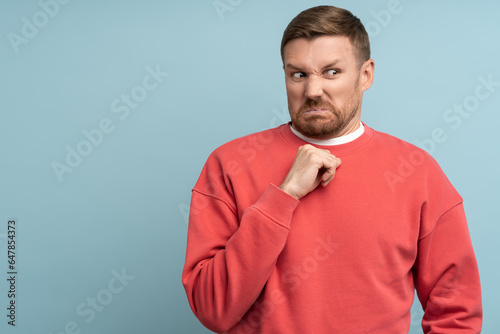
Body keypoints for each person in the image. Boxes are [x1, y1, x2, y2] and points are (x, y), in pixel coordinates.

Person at [182, 5, 482, 333]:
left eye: (331, 72)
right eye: (299, 74)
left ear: (365, 75)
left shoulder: (417, 172)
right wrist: (283, 197)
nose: (312, 91)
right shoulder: (229, 164)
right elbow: (212, 309)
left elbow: (456, 311)